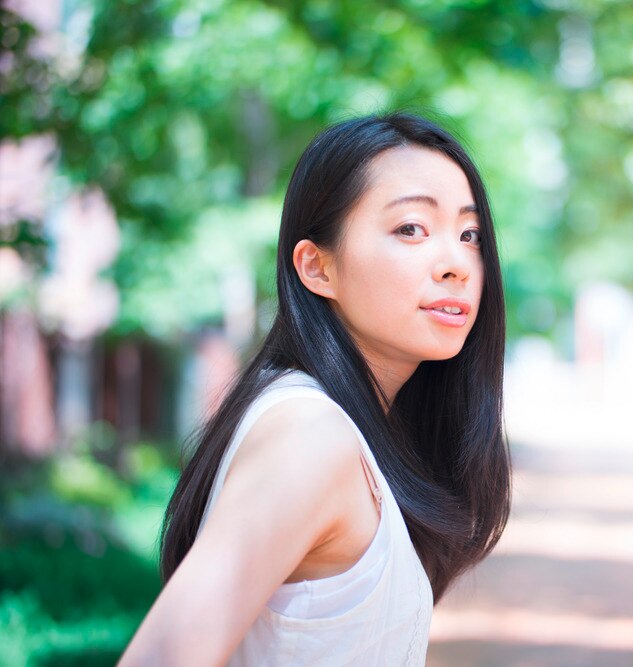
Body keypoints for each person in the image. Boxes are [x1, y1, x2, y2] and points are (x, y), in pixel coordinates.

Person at [119, 112, 512, 666]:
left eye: (469, 235)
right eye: (411, 229)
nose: (456, 265)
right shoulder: (309, 435)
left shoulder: (350, 433)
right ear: (317, 267)